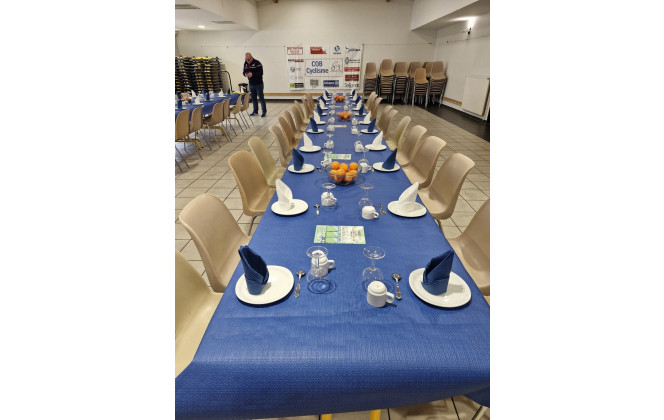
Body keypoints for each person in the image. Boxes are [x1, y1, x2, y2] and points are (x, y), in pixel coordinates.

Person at [242, 52, 266, 117]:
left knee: (261, 98)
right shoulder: (245, 63)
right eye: (246, 59)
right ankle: (255, 111)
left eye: (249, 59)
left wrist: (252, 74)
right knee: (253, 98)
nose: (247, 61)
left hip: (258, 84)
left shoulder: (257, 63)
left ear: (251, 57)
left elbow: (261, 73)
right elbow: (244, 72)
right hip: (251, 84)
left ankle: (264, 111)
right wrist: (245, 74)